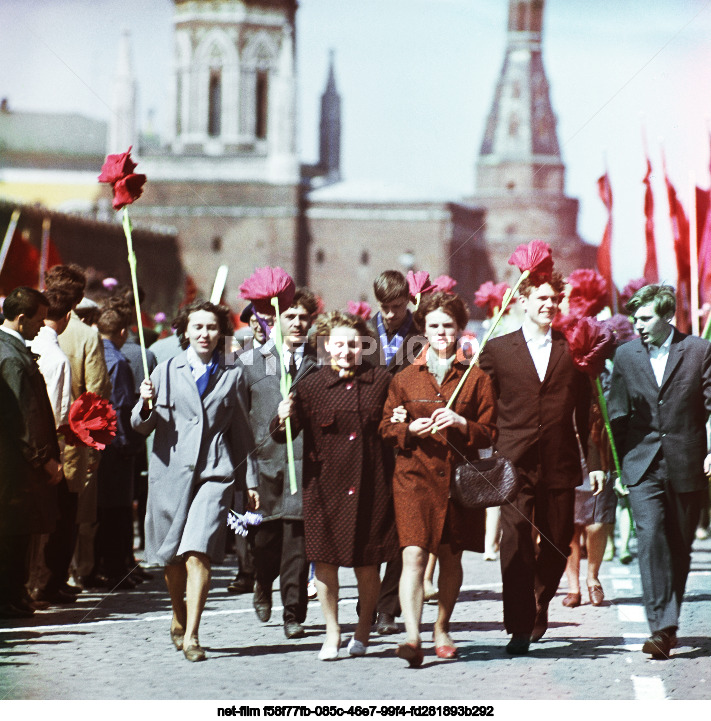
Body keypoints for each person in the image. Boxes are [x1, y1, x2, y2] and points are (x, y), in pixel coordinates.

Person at [478, 271, 600, 655]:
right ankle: (518, 625)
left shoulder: (573, 348)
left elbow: (588, 411)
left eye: (554, 299)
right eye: (541, 298)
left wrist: (596, 461)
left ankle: (539, 599)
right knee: (513, 542)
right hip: (514, 463)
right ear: (523, 301)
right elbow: (484, 405)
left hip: (560, 461)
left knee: (558, 544)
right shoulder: (497, 350)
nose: (549, 305)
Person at [132, 300, 257, 662]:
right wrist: (145, 404)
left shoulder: (233, 372)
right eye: (198, 327)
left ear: (221, 333)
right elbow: (140, 426)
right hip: (170, 474)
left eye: (212, 328)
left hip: (214, 473)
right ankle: (178, 612)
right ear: (184, 331)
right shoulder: (165, 371)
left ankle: (192, 635)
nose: (205, 334)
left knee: (198, 550)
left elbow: (241, 432)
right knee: (172, 558)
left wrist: (248, 482)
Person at [380, 292, 497, 666]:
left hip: (458, 481)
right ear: (423, 329)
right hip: (414, 478)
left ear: (460, 329)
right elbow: (385, 426)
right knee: (413, 553)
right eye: (434, 325)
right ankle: (412, 637)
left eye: (448, 325)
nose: (442, 331)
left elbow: (491, 431)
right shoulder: (404, 378)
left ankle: (441, 628)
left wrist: (463, 423)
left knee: (450, 556)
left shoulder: (476, 377)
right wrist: (409, 428)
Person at [275, 311, 398, 660]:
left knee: (367, 565)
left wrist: (400, 418)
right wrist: (282, 415)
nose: (347, 350)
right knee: (324, 563)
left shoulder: (382, 381)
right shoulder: (310, 386)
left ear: (364, 346)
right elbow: (283, 433)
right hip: (324, 490)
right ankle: (332, 633)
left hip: (371, 489)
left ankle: (362, 632)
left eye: (354, 344)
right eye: (340, 344)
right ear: (327, 346)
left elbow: (392, 427)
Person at [608, 284, 711, 659]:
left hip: (687, 462)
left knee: (679, 546)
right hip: (642, 462)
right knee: (650, 538)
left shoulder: (699, 351)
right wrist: (617, 466)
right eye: (635, 317)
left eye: (646, 317)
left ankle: (668, 620)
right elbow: (616, 414)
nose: (638, 324)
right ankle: (661, 628)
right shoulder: (625, 356)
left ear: (667, 317)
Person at [237, 288, 319, 638]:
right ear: (276, 320)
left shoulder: (320, 362)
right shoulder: (250, 362)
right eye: (291, 317)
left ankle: (293, 613)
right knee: (267, 539)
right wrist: (247, 473)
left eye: (304, 318)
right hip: (267, 464)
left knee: (298, 542)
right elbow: (239, 419)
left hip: (306, 467)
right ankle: (261, 582)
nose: (298, 323)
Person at [366, 269, 426, 635]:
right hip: (367, 439)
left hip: (406, 440)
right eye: (385, 307)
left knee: (401, 525)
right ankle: (367, 602)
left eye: (398, 306)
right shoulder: (362, 333)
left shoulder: (421, 337)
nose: (390, 314)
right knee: (371, 524)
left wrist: (411, 411)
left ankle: (388, 608)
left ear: (409, 301)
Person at [45, 265, 111, 590]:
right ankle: (56, 579)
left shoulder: (30, 327)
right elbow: (96, 395)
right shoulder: (87, 335)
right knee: (66, 514)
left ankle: (32, 580)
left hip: (31, 441)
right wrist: (95, 445)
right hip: (70, 440)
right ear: (80, 297)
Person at [0, 287, 62, 618]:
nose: (43, 326)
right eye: (38, 320)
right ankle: (9, 597)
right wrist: (45, 459)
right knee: (12, 533)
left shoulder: (13, 349)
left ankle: (15, 593)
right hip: (14, 466)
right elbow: (23, 417)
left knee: (18, 532)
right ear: (21, 319)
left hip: (16, 464)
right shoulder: (9, 356)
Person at [27, 285, 77, 605]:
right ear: (68, 316)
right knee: (41, 525)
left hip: (24, 448)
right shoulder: (57, 357)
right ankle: (33, 585)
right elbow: (57, 413)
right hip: (45, 450)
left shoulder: (27, 345)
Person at [226, 302, 275, 596]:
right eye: (255, 321)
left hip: (276, 441)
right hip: (247, 441)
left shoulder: (282, 354)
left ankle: (270, 568)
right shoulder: (239, 357)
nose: (260, 326)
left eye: (266, 320)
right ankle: (246, 570)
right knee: (244, 508)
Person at [94, 302, 140, 590]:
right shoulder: (119, 361)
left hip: (95, 438)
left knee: (101, 508)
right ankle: (114, 567)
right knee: (117, 508)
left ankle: (102, 564)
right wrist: (126, 443)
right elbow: (121, 406)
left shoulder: (95, 351)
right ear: (122, 332)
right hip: (115, 442)